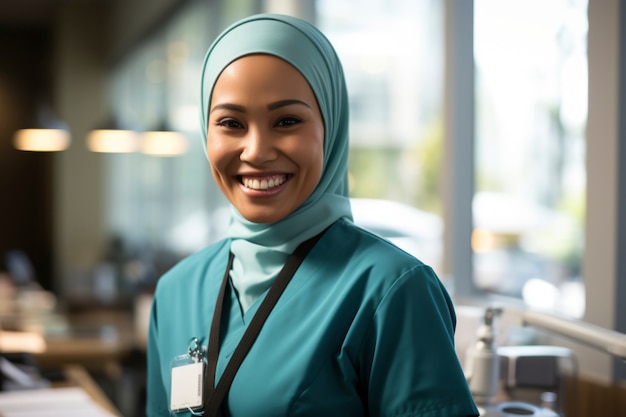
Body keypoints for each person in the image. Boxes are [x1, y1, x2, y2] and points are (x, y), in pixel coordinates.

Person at [146, 13, 479, 417]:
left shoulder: (391, 292)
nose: (255, 151)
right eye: (231, 123)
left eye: (286, 121)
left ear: (331, 127)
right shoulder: (176, 292)